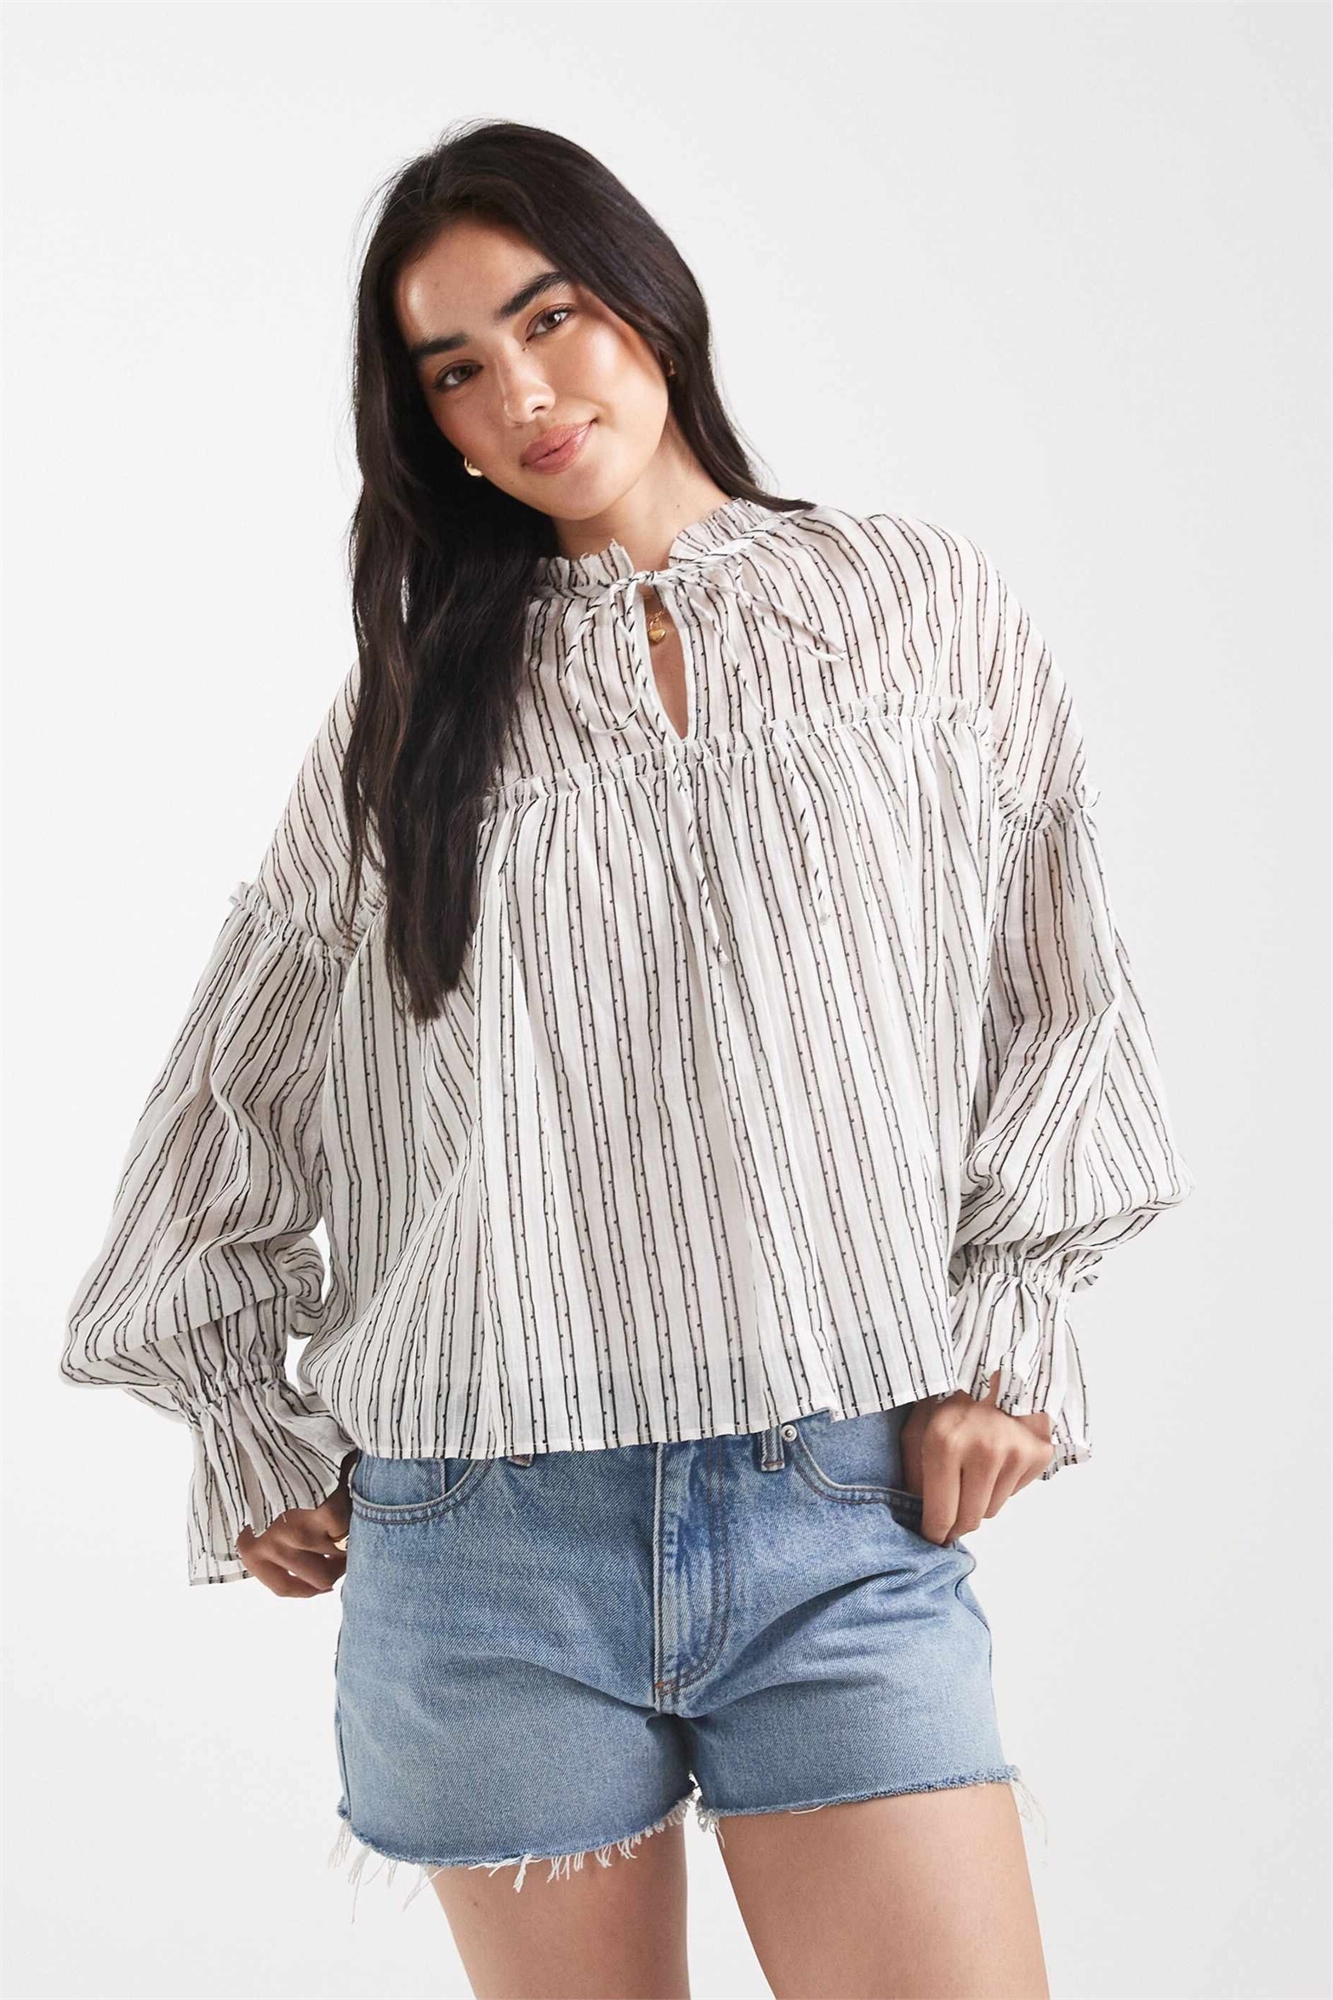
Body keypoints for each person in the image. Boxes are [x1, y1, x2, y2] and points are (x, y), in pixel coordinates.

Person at [61, 119, 1194, 2000]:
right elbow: (234, 1074)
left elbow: (1055, 986)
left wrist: (1012, 1323)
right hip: (482, 1531)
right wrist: (239, 1413)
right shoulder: (415, 709)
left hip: (836, 1495)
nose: (519, 393)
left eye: (548, 318)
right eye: (452, 371)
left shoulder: (910, 609)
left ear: (647, 303)